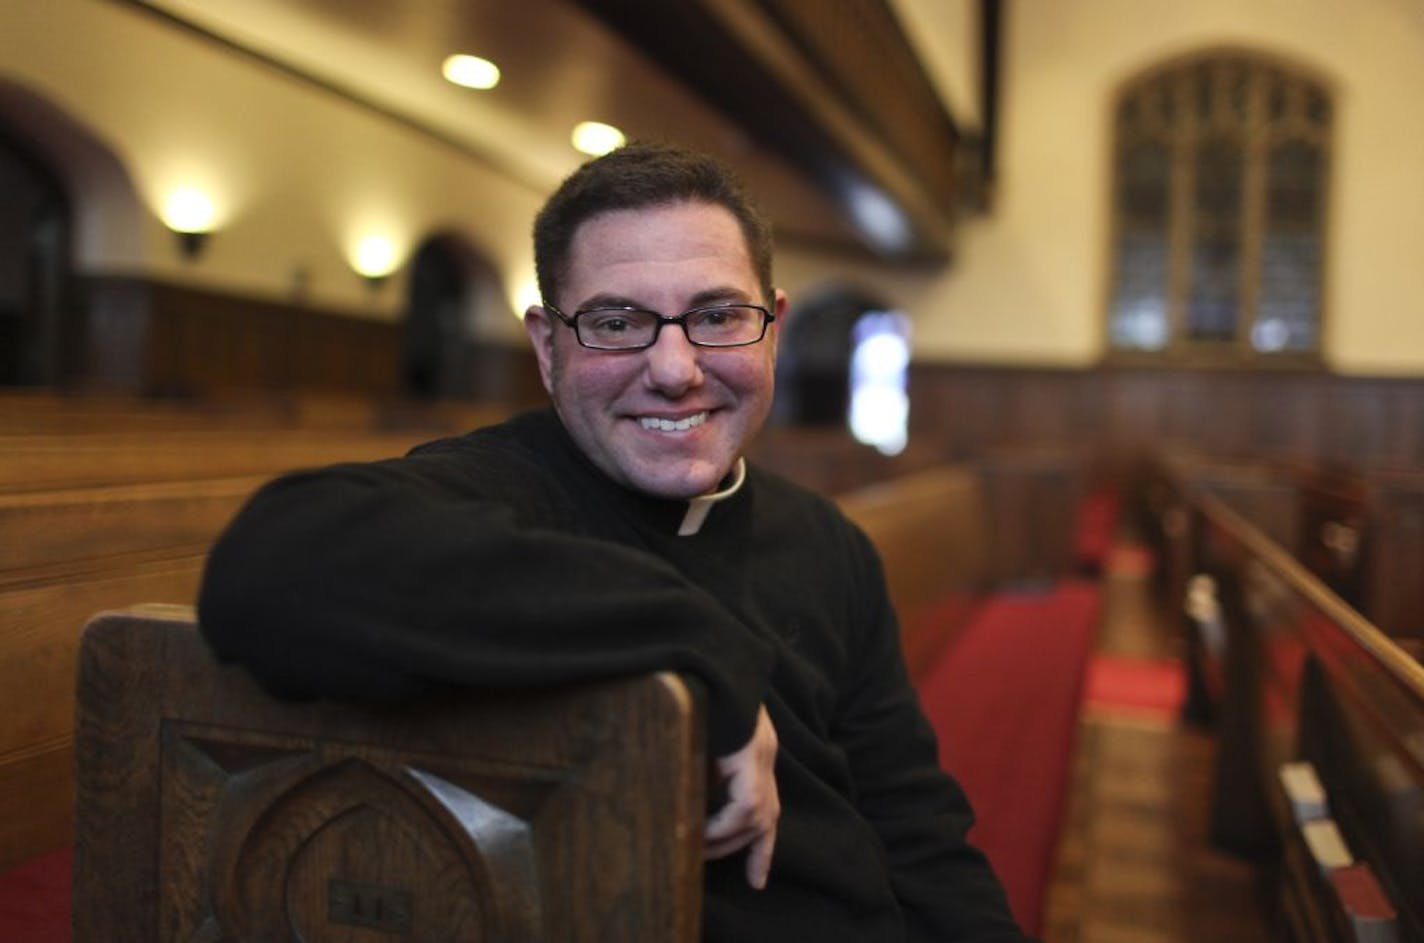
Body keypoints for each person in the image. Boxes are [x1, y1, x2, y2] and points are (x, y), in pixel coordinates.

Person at [199, 142, 1032, 941]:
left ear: (772, 328)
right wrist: (692, 641)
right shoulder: (501, 488)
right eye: (616, 322)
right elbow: (268, 563)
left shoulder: (829, 541)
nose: (674, 367)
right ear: (547, 346)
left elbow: (917, 835)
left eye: (716, 316)